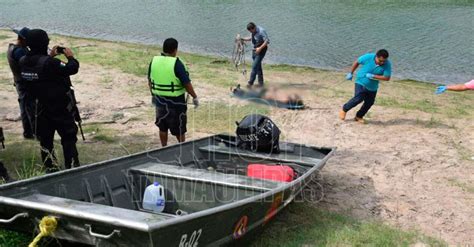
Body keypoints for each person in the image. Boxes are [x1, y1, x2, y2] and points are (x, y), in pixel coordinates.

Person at [20, 29, 81, 172]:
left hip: (38, 110)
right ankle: (72, 167)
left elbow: (38, 67)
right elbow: (72, 68)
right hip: (58, 108)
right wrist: (71, 57)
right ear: (44, 43)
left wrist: (49, 56)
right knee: (68, 137)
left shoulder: (23, 61)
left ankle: (51, 169)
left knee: (46, 142)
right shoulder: (50, 63)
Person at [148, 38, 198, 147]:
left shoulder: (154, 61)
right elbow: (186, 83)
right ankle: (182, 147)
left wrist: (153, 95)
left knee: (162, 127)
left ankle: (163, 147)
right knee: (179, 129)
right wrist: (194, 97)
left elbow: (150, 80)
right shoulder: (177, 63)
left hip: (160, 101)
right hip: (176, 103)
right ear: (175, 50)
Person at [340, 49, 392, 124]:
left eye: (384, 61)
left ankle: (359, 116)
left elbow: (387, 78)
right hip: (361, 81)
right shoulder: (368, 57)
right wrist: (351, 73)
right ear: (376, 57)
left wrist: (373, 76)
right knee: (358, 98)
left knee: (369, 102)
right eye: (380, 61)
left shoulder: (387, 64)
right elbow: (357, 62)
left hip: (373, 86)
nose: (382, 63)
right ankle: (344, 109)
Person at [7, 27, 34, 139]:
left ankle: (28, 133)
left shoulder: (13, 48)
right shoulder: (20, 51)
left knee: (24, 107)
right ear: (23, 39)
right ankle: (31, 133)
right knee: (29, 109)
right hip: (23, 83)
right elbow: (28, 64)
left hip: (19, 81)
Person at [242, 22, 270, 88]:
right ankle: (261, 84)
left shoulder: (261, 31)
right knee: (258, 67)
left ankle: (250, 83)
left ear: (254, 27)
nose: (251, 32)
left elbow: (267, 41)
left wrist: (260, 48)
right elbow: (251, 38)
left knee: (254, 67)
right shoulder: (253, 31)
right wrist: (242, 39)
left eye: (251, 31)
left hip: (261, 50)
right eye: (250, 31)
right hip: (254, 50)